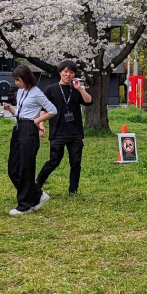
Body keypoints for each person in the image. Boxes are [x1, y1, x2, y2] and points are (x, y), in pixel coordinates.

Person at [1, 66, 56, 215]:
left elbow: (53, 110)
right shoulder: (20, 91)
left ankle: (24, 205)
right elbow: (20, 112)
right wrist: (11, 110)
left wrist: (37, 120)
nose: (16, 83)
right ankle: (37, 194)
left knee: (25, 167)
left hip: (29, 129)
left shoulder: (37, 93)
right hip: (19, 127)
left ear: (25, 78)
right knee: (13, 169)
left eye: (18, 80)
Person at [37, 60, 94, 196]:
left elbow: (89, 101)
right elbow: (43, 108)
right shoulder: (51, 89)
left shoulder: (76, 89)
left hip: (75, 132)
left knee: (76, 162)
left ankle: (73, 190)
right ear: (60, 72)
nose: (69, 74)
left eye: (72, 72)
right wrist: (41, 124)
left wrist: (80, 88)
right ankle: (37, 183)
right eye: (66, 71)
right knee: (54, 160)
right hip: (58, 131)